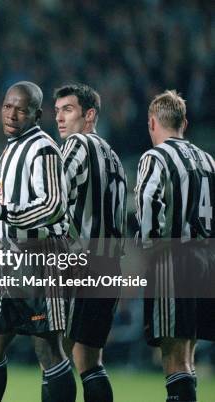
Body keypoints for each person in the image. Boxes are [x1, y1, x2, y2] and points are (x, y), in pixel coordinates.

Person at [0, 81, 76, 402]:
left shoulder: (43, 147)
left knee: (47, 348)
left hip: (43, 259)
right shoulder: (11, 148)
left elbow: (53, 205)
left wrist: (0, 211)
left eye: (21, 109)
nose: (12, 114)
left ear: (37, 114)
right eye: (7, 106)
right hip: (12, 261)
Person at [135, 90, 214, 402]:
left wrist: (147, 247)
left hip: (174, 260)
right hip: (206, 261)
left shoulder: (156, 157)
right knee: (188, 353)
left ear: (153, 122)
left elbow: (146, 199)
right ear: (185, 122)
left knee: (172, 355)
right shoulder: (209, 160)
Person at [54, 83, 127, 402]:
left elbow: (53, 197)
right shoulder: (114, 157)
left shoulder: (77, 144)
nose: (59, 118)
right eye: (57, 111)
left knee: (55, 354)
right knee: (89, 360)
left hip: (80, 264)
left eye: (67, 110)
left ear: (90, 114)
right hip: (110, 265)